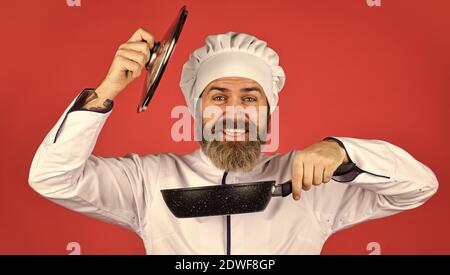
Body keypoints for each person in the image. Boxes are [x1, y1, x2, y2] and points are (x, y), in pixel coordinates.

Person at [29, 28, 438, 254]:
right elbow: (52, 178)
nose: (234, 111)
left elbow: (420, 186)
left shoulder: (312, 180)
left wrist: (344, 151)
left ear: (268, 111)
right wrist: (107, 89)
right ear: (195, 107)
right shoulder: (146, 180)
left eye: (250, 98)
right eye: (219, 97)